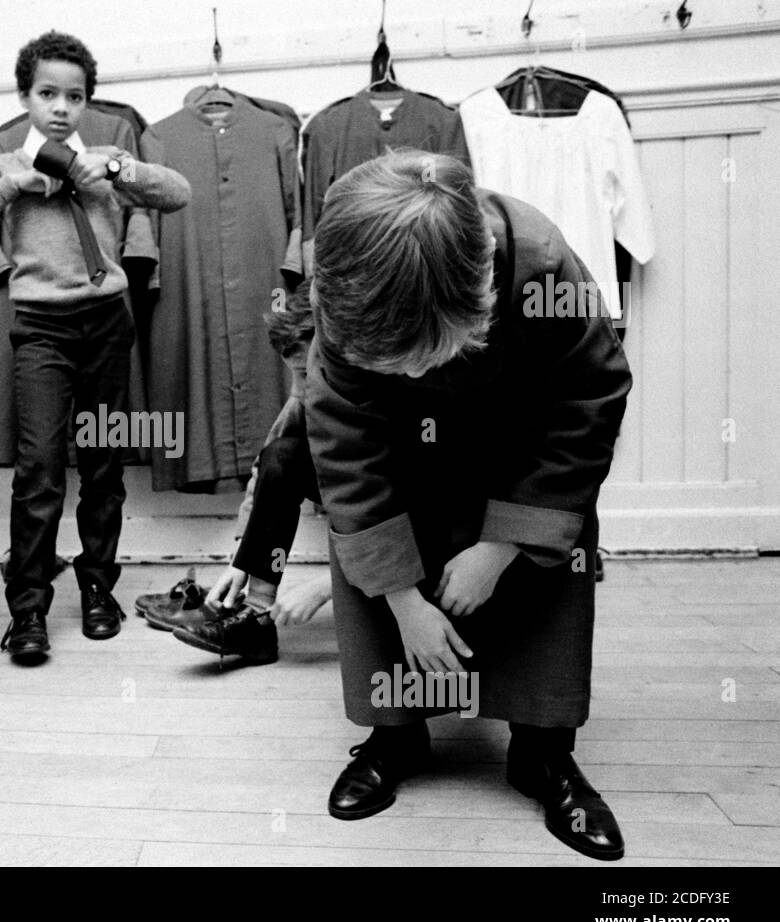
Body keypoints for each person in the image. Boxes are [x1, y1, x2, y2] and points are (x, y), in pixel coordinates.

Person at [304, 149, 632, 861]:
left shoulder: (543, 262)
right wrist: (401, 600)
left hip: (522, 457)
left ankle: (543, 751)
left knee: (550, 566)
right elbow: (345, 454)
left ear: (479, 290)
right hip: (398, 462)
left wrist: (503, 544)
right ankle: (396, 736)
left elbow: (591, 397)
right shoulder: (343, 285)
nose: (421, 374)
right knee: (374, 555)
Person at [0, 31, 190, 662]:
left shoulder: (104, 159)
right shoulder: (3, 164)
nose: (60, 107)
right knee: (40, 469)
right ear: (25, 96)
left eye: (73, 97)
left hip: (106, 323)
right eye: (47, 93)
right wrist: (10, 188)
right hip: (40, 330)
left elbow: (178, 193)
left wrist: (121, 170)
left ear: (86, 103)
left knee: (103, 466)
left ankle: (100, 587)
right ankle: (27, 609)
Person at [160, 287, 333, 667]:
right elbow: (266, 470)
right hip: (339, 485)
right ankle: (256, 616)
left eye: (306, 373)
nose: (300, 386)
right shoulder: (301, 397)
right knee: (279, 458)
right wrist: (243, 555)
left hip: (387, 503)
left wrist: (325, 587)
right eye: (294, 375)